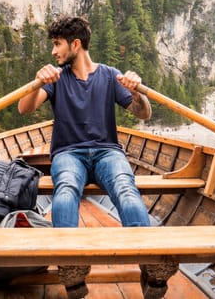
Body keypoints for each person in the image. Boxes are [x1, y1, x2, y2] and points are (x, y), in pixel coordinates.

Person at [18, 16, 173, 299]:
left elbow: (143, 113)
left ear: (75, 44)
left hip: (107, 152)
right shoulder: (56, 78)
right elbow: (24, 109)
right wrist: (36, 83)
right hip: (68, 153)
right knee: (65, 191)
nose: (54, 52)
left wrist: (137, 92)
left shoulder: (110, 75)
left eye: (57, 44)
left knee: (126, 189)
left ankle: (150, 267)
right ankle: (72, 266)